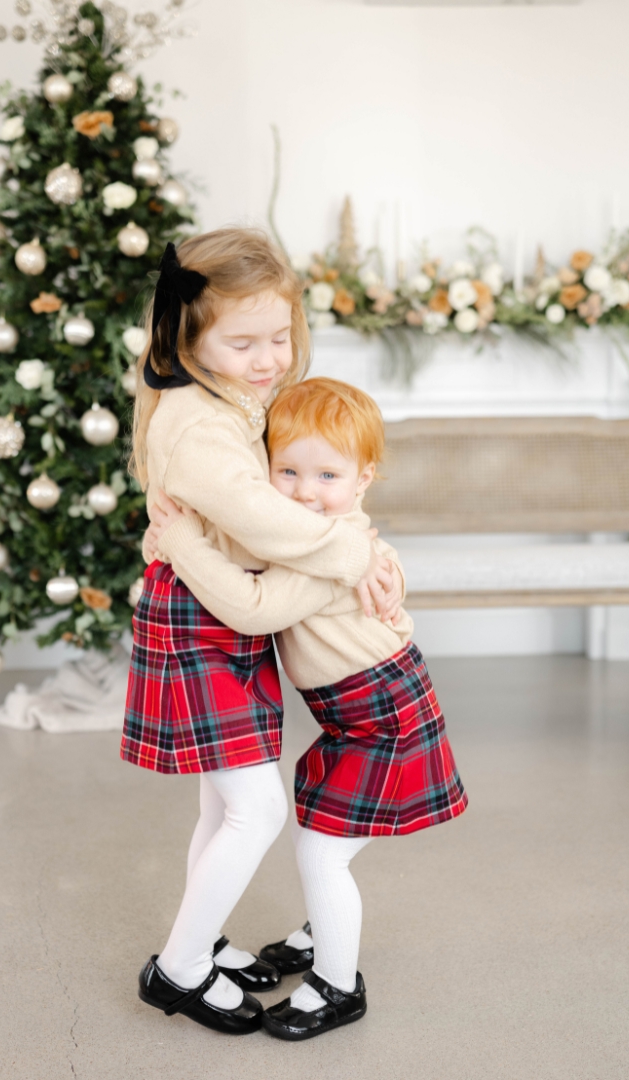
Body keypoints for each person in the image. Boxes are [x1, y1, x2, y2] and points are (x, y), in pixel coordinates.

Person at [122, 232, 404, 1036]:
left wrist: (365, 549)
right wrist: (355, 549)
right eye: (243, 342)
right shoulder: (198, 422)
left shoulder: (230, 399)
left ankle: (201, 939)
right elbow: (263, 519)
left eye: (279, 337)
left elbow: (289, 499)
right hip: (203, 619)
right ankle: (177, 970)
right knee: (255, 809)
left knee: (222, 807)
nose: (268, 358)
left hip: (228, 608)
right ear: (189, 338)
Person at [144, 377, 468, 1040]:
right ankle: (324, 928)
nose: (302, 491)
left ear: (364, 478)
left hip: (381, 713)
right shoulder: (328, 537)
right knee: (324, 837)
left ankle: (337, 985)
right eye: (286, 471)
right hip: (361, 711)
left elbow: (252, 607)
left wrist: (182, 545)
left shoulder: (325, 552)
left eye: (326, 474)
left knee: (322, 853)